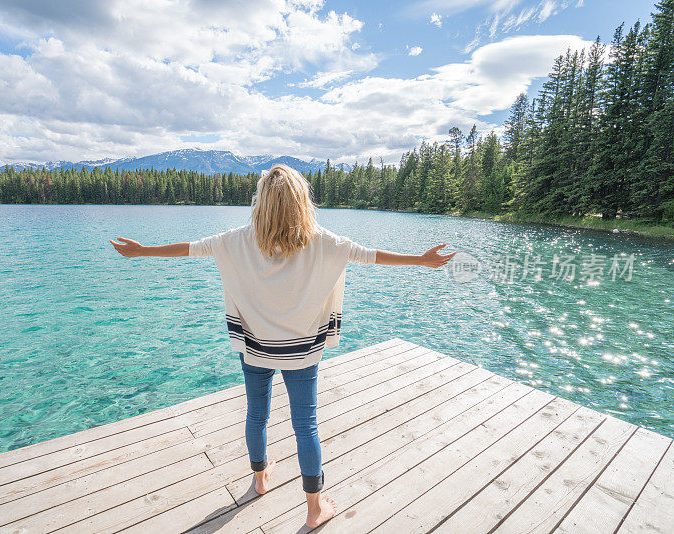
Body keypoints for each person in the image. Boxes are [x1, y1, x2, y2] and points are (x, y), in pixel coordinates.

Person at [110, 164, 455, 528]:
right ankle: (313, 509)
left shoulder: (236, 240)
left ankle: (260, 481)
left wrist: (143, 250)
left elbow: (187, 250)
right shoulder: (324, 242)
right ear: (302, 201)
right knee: (305, 425)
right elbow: (372, 255)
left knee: (256, 415)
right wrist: (421, 259)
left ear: (261, 203)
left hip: (256, 347)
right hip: (301, 352)